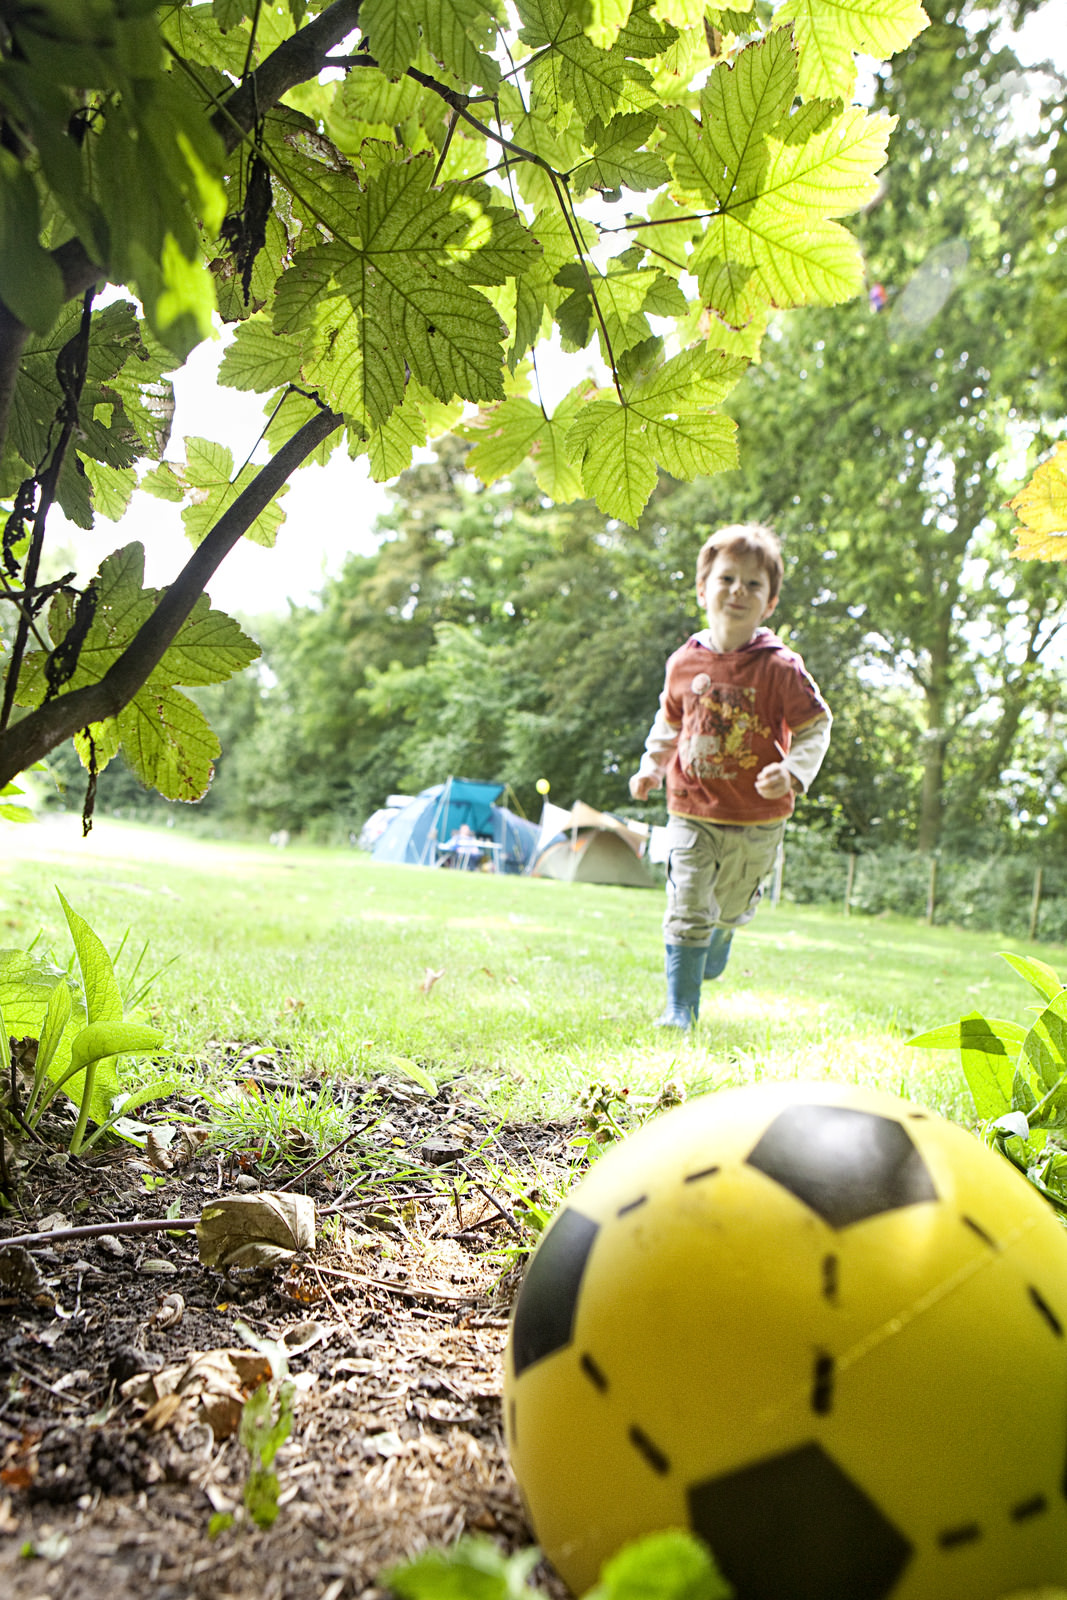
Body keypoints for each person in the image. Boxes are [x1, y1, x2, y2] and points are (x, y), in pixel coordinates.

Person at [628, 523, 831, 1029]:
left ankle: (724, 928)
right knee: (687, 900)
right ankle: (681, 1009)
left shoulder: (780, 667)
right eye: (726, 579)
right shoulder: (683, 662)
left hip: (757, 817)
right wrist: (651, 765)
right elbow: (670, 721)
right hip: (691, 805)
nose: (737, 591)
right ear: (703, 588)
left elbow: (815, 726)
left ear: (770, 602)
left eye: (752, 584)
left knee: (728, 905)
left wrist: (792, 771)